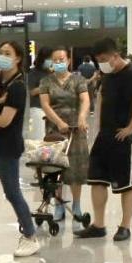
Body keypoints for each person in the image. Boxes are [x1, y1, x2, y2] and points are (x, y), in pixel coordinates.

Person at [75, 38, 132, 242]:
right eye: (98, 60)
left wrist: (131, 127)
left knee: (126, 183)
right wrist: (98, 128)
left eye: (104, 59)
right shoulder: (107, 75)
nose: (102, 63)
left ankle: (125, 226)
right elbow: (101, 98)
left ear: (115, 56)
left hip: (124, 137)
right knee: (97, 180)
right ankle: (99, 225)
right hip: (105, 135)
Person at [0, 41, 38, 257]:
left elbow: (4, 120)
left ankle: (30, 235)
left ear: (18, 58)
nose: (2, 56)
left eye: (7, 53)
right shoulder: (0, 80)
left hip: (7, 147)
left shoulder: (17, 86)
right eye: (0, 52)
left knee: (12, 192)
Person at [39, 46, 91, 223]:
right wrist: (59, 122)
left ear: (68, 61)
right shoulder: (46, 81)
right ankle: (59, 205)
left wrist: (82, 117)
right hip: (55, 130)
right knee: (56, 168)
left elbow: (85, 99)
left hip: (76, 129)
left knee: (76, 168)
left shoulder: (78, 79)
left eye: (62, 59)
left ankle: (76, 205)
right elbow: (45, 105)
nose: (58, 62)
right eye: (55, 60)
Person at [26, 45, 53, 142]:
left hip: (50, 110)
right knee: (38, 139)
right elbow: (30, 92)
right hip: (37, 109)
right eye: (49, 58)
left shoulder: (50, 72)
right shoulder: (33, 73)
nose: (51, 61)